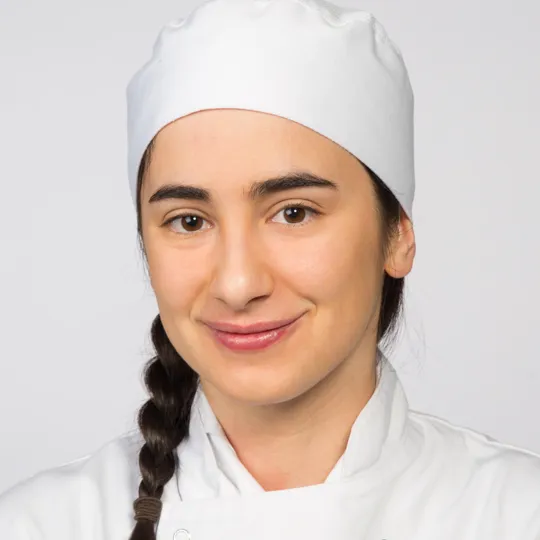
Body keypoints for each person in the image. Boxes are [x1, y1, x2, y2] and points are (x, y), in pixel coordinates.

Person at [1, 0, 540, 538]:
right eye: (189, 221)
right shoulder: (40, 525)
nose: (238, 285)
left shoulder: (517, 514)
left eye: (294, 213)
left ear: (397, 233)